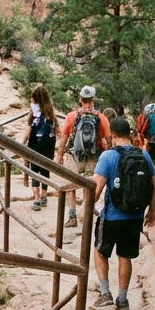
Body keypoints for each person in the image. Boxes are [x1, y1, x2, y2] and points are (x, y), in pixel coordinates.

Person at [92, 117, 155, 310]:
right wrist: (151, 211)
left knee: (100, 251)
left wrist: (89, 205)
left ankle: (105, 294)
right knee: (124, 256)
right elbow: (154, 185)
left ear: (113, 134)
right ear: (129, 133)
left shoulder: (107, 156)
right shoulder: (143, 155)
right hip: (135, 216)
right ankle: (123, 299)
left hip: (112, 215)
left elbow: (96, 188)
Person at [57, 86, 111, 228]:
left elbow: (64, 137)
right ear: (92, 100)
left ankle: (72, 216)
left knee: (71, 187)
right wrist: (109, 153)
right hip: (93, 156)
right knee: (88, 186)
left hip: (74, 155)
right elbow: (108, 137)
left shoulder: (71, 116)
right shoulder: (100, 117)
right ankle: (87, 214)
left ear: (80, 99)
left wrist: (59, 155)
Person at [24, 86, 58, 211]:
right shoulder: (50, 111)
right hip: (48, 145)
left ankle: (36, 200)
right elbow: (55, 129)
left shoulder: (34, 110)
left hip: (34, 144)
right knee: (45, 170)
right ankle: (44, 196)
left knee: (34, 171)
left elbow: (29, 128)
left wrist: (22, 142)